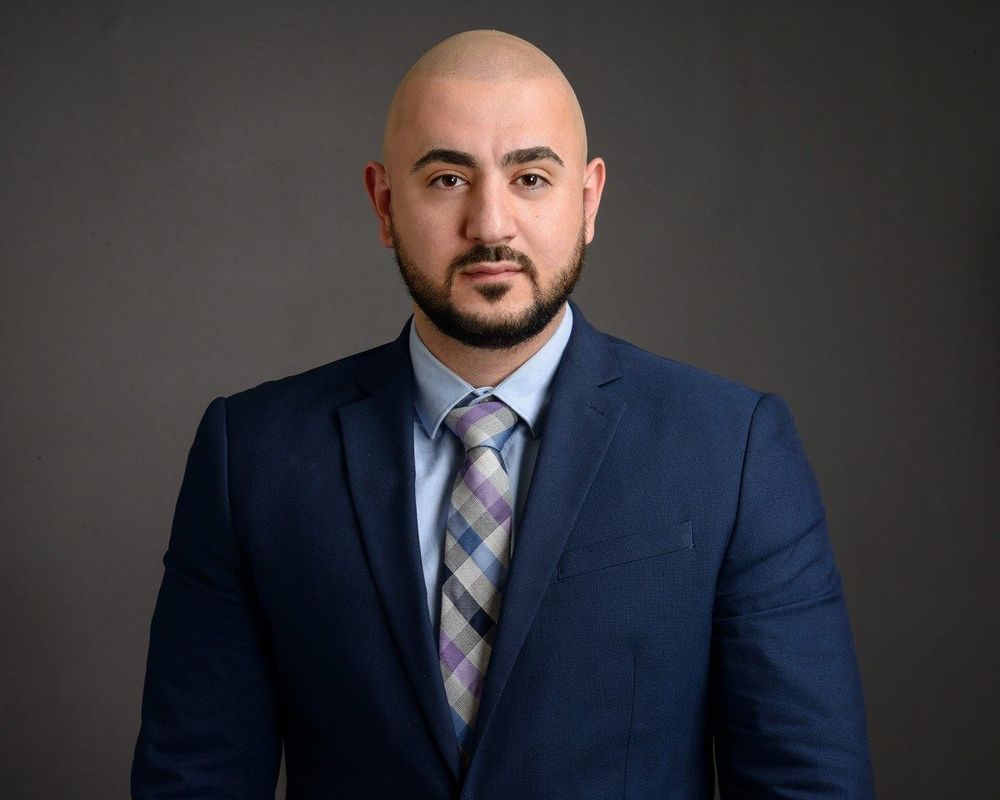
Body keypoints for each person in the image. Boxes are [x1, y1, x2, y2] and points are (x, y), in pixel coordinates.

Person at [131, 29, 874, 799]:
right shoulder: (248, 456)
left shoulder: (734, 449)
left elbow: (807, 784)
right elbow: (196, 780)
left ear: (588, 200)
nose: (490, 225)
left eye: (530, 177)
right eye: (448, 178)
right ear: (384, 204)